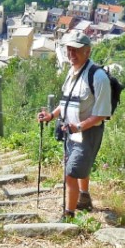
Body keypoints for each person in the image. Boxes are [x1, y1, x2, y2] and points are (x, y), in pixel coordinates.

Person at [37, 30, 111, 220]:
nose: (71, 54)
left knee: (71, 171)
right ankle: (84, 197)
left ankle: (68, 215)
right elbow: (66, 102)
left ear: (88, 51)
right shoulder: (72, 72)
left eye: (76, 50)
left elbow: (101, 114)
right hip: (71, 130)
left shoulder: (98, 77)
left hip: (87, 133)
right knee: (79, 167)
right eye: (69, 49)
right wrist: (51, 116)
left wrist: (78, 127)